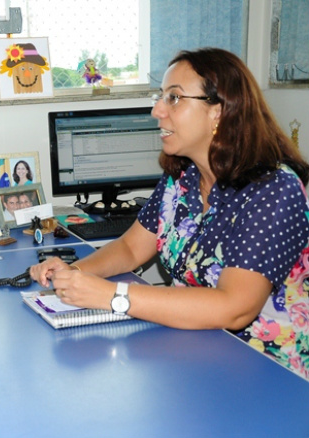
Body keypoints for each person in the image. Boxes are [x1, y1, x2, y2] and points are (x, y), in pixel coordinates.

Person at [30, 48, 309, 379]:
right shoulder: (182, 179)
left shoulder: (273, 190)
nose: (156, 110)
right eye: (159, 96)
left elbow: (235, 307)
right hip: (192, 347)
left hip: (266, 368)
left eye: (174, 98)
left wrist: (113, 296)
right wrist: (73, 273)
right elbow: (132, 247)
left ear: (218, 111)